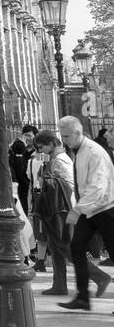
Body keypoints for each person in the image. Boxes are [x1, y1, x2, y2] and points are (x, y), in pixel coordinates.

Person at [57, 115, 114, 312]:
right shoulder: (79, 150)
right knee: (76, 248)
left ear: (78, 133)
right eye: (62, 136)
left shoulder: (93, 152)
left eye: (67, 136)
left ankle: (84, 296)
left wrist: (77, 209)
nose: (64, 140)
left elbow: (98, 188)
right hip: (91, 209)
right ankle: (82, 297)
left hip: (106, 208)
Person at [8, 125, 37, 216]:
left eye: (29, 135)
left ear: (35, 136)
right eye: (25, 135)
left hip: (30, 183)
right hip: (18, 182)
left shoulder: (38, 151)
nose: (27, 138)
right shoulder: (18, 148)